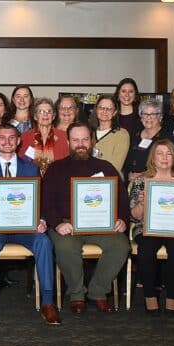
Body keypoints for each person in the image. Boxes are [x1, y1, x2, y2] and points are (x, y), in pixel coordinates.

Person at [0, 124, 60, 326]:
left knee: (44, 243)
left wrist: (42, 221)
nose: (7, 141)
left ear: (19, 140)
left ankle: (48, 303)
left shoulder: (31, 168)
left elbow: (40, 202)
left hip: (25, 227)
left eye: (11, 137)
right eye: (2, 138)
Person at [42, 123, 130, 314]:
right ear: (68, 142)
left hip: (100, 224)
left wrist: (122, 219)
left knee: (121, 245)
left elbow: (122, 199)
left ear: (92, 141)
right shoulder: (56, 168)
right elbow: (46, 203)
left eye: (84, 139)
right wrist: (58, 224)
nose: (80, 144)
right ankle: (77, 295)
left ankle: (98, 292)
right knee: (66, 246)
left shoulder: (106, 167)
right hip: (67, 224)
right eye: (75, 140)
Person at [128, 139, 174, 315]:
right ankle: (150, 297)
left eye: (169, 153)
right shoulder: (141, 181)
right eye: (160, 153)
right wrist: (143, 204)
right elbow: (133, 215)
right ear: (153, 157)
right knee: (146, 251)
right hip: (146, 227)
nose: (164, 157)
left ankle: (172, 298)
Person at [19, 97, 69, 175]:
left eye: (49, 111)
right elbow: (21, 165)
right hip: (32, 181)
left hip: (58, 180)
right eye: (41, 111)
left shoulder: (64, 137)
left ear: (53, 116)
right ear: (35, 116)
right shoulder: (24, 137)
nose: (45, 114)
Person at [122, 97, 168, 180]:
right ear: (141, 117)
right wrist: (128, 174)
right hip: (131, 184)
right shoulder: (134, 134)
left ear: (160, 117)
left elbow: (168, 165)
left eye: (153, 114)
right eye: (145, 114)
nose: (148, 117)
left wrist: (143, 175)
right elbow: (126, 160)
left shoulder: (166, 138)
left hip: (154, 183)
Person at [91, 95, 130, 176]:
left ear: (115, 112)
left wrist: (92, 179)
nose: (104, 111)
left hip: (110, 182)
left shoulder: (122, 134)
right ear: (96, 110)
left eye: (109, 109)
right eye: (101, 107)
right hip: (87, 181)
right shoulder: (89, 133)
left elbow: (115, 167)